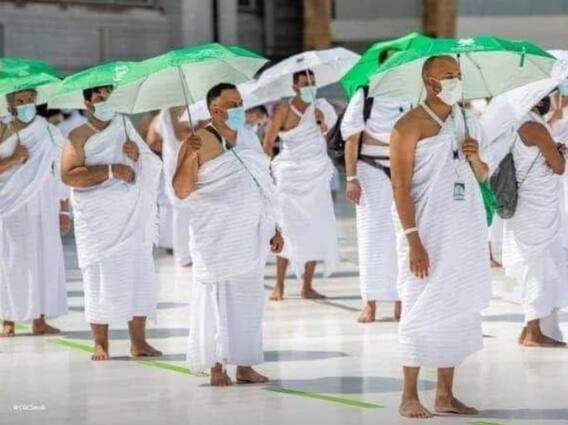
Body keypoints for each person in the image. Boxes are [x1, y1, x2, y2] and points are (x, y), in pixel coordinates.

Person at [390, 56, 491, 418]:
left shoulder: (467, 121)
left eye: (458, 75)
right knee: (419, 306)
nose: (455, 80)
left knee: (456, 308)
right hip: (425, 230)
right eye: (448, 75)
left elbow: (483, 175)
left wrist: (475, 158)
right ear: (429, 81)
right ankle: (409, 395)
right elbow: (400, 187)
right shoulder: (407, 125)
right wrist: (413, 240)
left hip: (462, 229)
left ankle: (445, 395)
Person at [173, 83, 283, 386]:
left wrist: (275, 226)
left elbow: (263, 181)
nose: (239, 109)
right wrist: (189, 156)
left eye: (240, 102)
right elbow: (181, 190)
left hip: (251, 235)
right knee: (216, 300)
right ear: (215, 110)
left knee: (248, 302)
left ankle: (245, 364)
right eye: (232, 104)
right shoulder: (198, 140)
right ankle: (216, 366)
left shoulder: (248, 136)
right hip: (215, 236)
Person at [60, 85, 162, 361]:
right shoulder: (78, 135)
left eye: (110, 96)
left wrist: (138, 156)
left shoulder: (125, 127)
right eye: (99, 97)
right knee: (98, 277)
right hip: (97, 221)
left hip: (131, 216)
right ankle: (100, 343)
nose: (106, 101)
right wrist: (110, 170)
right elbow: (68, 175)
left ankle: (139, 342)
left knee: (138, 275)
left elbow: (151, 165)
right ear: (87, 103)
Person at [263, 69, 339, 301]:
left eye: (313, 83)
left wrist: (321, 122)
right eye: (305, 83)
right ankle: (279, 285)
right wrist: (264, 173)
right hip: (290, 176)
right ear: (294, 87)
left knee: (315, 227)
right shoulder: (283, 109)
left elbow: (331, 136)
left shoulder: (322, 107)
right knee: (287, 228)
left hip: (316, 174)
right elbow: (268, 141)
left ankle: (307, 286)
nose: (310, 87)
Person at [0, 89, 68, 337]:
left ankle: (39, 319)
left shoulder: (48, 130)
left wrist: (64, 210)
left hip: (44, 202)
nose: (26, 104)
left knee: (43, 259)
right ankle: (8, 320)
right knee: (12, 260)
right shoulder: (3, 129)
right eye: (20, 100)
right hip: (11, 204)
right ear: (10, 103)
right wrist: (14, 159)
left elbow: (61, 169)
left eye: (30, 99)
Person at [502, 94, 568, 347]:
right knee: (538, 267)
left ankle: (529, 328)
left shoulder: (519, 122)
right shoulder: (534, 126)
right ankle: (533, 332)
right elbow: (558, 166)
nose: (548, 99)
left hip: (530, 205)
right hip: (536, 208)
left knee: (536, 265)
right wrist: (559, 153)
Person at [341, 88, 409, 323]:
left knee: (403, 234)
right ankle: (370, 302)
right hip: (370, 169)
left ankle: (402, 300)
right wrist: (351, 178)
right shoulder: (365, 95)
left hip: (403, 169)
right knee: (371, 236)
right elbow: (352, 138)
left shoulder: (411, 92)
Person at [158, 107, 193, 266]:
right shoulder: (172, 108)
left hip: (187, 161)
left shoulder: (186, 107)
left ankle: (188, 253)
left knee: (189, 211)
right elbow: (180, 134)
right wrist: (203, 126)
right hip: (177, 164)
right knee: (181, 210)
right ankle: (183, 256)